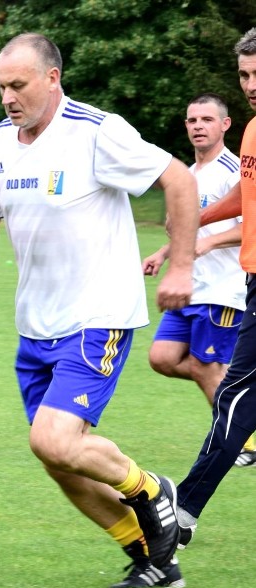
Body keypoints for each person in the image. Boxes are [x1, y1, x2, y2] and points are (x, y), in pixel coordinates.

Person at [0, 33, 199, 588]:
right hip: (37, 323)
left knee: (53, 440)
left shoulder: (97, 132)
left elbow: (180, 179)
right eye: (1, 86)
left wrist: (182, 268)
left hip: (97, 315)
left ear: (52, 78)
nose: (7, 97)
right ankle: (152, 556)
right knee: (59, 459)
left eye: (18, 85)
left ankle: (152, 491)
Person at [175, 28, 256, 547]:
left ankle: (179, 513)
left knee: (233, 399)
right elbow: (245, 195)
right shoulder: (252, 131)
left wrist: (206, 237)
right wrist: (199, 216)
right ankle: (181, 513)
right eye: (245, 74)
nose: (251, 84)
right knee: (236, 400)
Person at [142, 94, 244, 404]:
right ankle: (240, 391)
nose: (199, 126)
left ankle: (245, 443)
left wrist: (208, 243)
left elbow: (250, 228)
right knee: (163, 357)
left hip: (223, 289)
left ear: (225, 125)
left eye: (207, 119)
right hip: (191, 288)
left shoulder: (235, 171)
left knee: (204, 366)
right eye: (193, 120)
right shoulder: (186, 174)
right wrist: (163, 253)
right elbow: (189, 229)